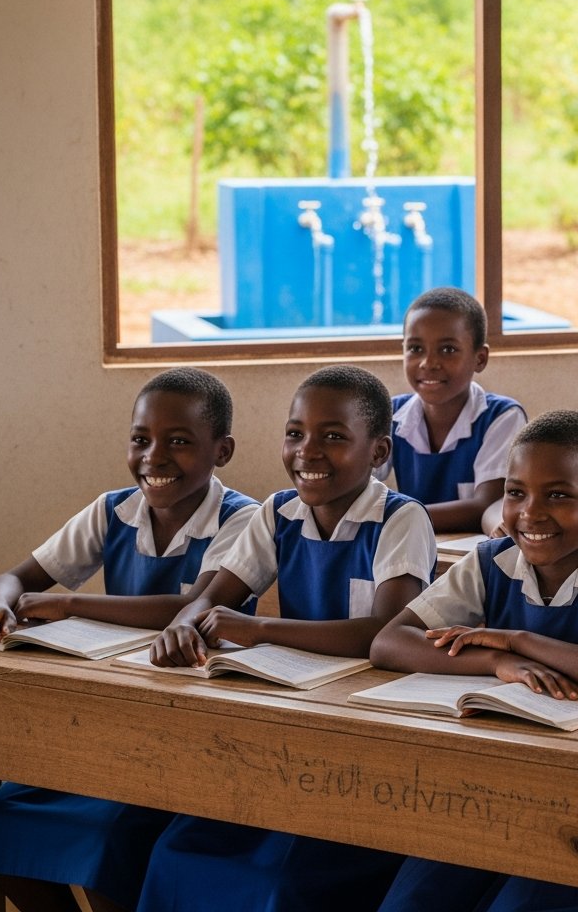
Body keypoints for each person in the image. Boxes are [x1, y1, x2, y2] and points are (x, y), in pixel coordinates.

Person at [135, 365, 436, 912]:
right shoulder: (278, 513)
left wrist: (260, 629)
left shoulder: (401, 519)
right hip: (293, 716)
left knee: (281, 881)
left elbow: (384, 634)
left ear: (378, 452)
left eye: (334, 437)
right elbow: (214, 595)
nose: (308, 451)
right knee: (175, 852)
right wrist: (185, 621)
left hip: (370, 734)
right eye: (295, 433)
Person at [370, 410, 578, 912]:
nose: (530, 513)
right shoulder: (491, 562)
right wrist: (493, 664)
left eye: (559, 495)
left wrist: (517, 641)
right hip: (491, 785)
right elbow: (390, 642)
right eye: (515, 492)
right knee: (411, 902)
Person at [0, 367, 258, 912]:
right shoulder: (113, 510)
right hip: (103, 719)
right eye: (141, 439)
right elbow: (16, 578)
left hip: (188, 733)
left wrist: (66, 602)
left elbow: (190, 608)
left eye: (179, 442)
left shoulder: (244, 519)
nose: (154, 457)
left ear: (221, 450)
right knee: (0, 824)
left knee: (105, 845)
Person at [385, 287, 526, 532]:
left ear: (479, 359)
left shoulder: (501, 417)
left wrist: (392, 517)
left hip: (474, 560)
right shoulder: (391, 415)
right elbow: (354, 488)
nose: (428, 363)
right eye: (415, 349)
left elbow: (488, 506)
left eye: (448, 349)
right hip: (411, 549)